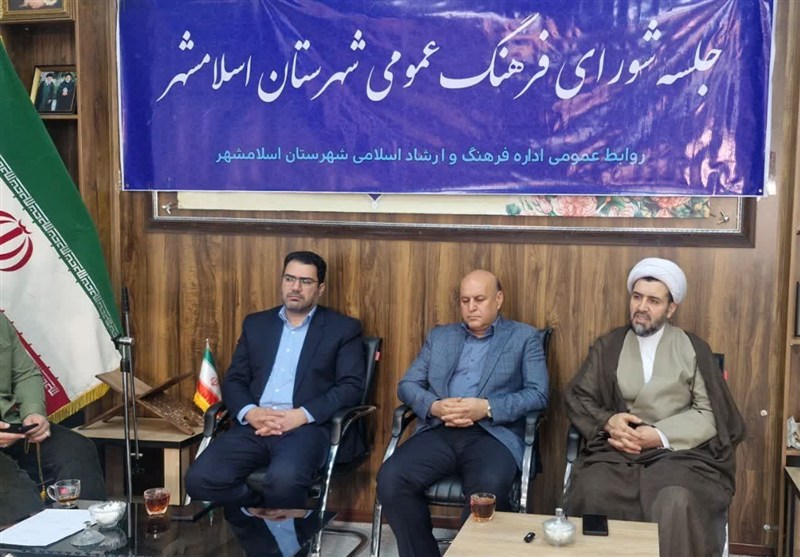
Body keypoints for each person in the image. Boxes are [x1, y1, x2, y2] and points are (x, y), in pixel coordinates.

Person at [565, 257, 745, 557]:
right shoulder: (609, 345)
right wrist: (609, 421)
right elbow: (578, 396)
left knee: (675, 499)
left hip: (679, 455)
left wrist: (659, 435)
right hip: (618, 452)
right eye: (637, 297)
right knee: (592, 488)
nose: (642, 307)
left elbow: (710, 412)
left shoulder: (693, 348)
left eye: (653, 301)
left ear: (671, 308)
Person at [376, 270, 549, 557]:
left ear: (498, 299)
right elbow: (407, 384)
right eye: (465, 300)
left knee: (487, 492)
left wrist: (487, 407)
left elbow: (538, 393)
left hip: (493, 435)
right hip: (440, 430)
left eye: (479, 299)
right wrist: (434, 406)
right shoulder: (441, 336)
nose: (471, 307)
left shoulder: (524, 337)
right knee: (390, 479)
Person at [185, 251, 365, 508]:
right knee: (199, 479)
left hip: (305, 429)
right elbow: (235, 380)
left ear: (320, 289)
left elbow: (351, 387)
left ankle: (276, 523)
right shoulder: (256, 324)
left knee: (284, 481)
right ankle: (258, 513)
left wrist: (302, 415)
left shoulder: (342, 329)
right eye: (289, 279)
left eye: (305, 281)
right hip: (255, 425)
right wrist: (250, 412)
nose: (295, 287)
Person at [0, 312, 106, 525]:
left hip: (11, 424)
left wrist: (33, 412)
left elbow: (25, 374)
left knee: (77, 450)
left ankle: (86, 533)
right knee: (16, 493)